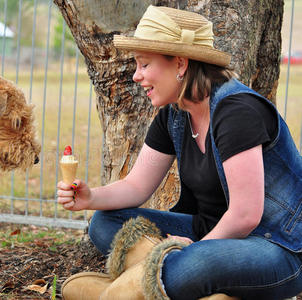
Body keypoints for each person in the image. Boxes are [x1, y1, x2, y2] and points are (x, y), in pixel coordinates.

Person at [57, 5, 302, 300]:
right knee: (105, 223)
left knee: (195, 262)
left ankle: (113, 294)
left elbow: (245, 215)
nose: (137, 76)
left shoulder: (237, 112)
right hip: (208, 233)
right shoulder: (174, 114)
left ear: (181, 64)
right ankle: (199, 291)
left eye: (144, 65)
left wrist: (192, 250)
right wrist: (91, 197)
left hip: (277, 247)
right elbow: (136, 186)